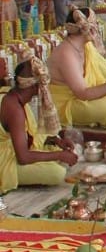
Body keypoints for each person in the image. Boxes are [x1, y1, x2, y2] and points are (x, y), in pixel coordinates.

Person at [47, 7, 106, 129]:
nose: (97, 28)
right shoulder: (66, 54)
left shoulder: (86, 46)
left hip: (84, 95)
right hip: (67, 103)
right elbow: (82, 94)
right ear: (86, 28)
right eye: (95, 23)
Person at [0, 55, 78, 194]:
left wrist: (54, 141)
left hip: (13, 151)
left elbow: (28, 136)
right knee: (56, 172)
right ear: (36, 86)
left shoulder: (14, 96)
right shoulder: (14, 109)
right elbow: (23, 157)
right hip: (4, 163)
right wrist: (59, 155)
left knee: (54, 153)